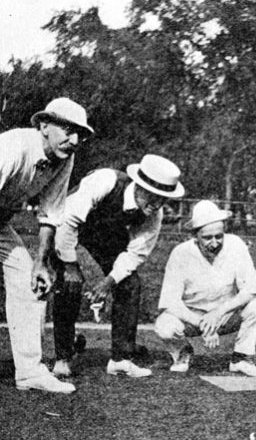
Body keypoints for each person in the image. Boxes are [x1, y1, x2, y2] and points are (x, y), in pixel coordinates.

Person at [51, 154, 184, 378]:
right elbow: (69, 222)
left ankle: (121, 359)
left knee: (130, 283)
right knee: (69, 283)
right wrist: (71, 268)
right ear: (139, 185)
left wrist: (108, 281)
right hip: (65, 226)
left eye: (164, 199)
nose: (157, 204)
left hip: (104, 236)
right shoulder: (106, 180)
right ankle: (63, 357)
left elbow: (135, 254)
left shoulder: (154, 214)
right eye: (153, 196)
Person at [0, 97, 93, 393]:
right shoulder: (12, 148)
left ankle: (29, 372)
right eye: (68, 130)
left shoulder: (65, 157)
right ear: (43, 126)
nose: (74, 140)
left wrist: (40, 262)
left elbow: (51, 212)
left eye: (80, 134)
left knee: (27, 279)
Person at [154, 200, 256, 375]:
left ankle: (241, 358)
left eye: (219, 236)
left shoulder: (236, 245)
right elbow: (170, 302)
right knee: (165, 326)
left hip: (225, 315)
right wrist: (203, 324)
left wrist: (217, 313)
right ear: (195, 236)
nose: (214, 243)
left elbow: (251, 290)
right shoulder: (180, 253)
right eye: (207, 238)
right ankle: (182, 352)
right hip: (192, 317)